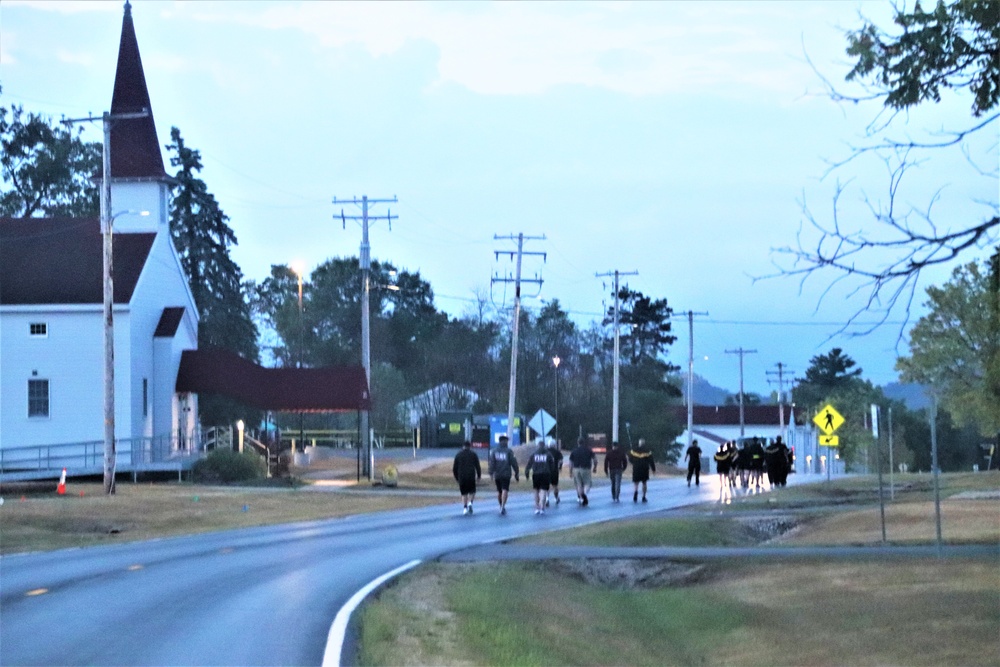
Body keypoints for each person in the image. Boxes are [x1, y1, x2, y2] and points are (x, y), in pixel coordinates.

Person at [487, 435, 519, 515]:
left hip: (497, 474)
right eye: (506, 441)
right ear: (504, 441)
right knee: (505, 489)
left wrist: (491, 472)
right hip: (506, 473)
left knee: (499, 491)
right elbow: (513, 462)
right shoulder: (509, 451)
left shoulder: (494, 451)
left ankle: (500, 505)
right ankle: (503, 506)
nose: (507, 442)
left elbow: (492, 463)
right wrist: (516, 472)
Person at [524, 440, 555, 514]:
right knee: (543, 491)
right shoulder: (548, 454)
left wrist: (527, 473)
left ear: (538, 446)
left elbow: (529, 464)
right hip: (545, 474)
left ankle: (537, 507)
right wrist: (551, 472)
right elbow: (552, 465)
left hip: (536, 474)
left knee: (536, 491)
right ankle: (542, 507)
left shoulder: (534, 454)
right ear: (544, 446)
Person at [452, 440, 481, 515]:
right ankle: (470, 502)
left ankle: (465, 508)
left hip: (461, 476)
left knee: (464, 493)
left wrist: (456, 477)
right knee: (472, 491)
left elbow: (454, 468)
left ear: (463, 446)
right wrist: (479, 475)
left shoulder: (458, 455)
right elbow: (477, 466)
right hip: (471, 476)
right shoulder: (473, 454)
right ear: (470, 446)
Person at [568, 437, 598, 506]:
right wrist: (595, 468)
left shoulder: (574, 451)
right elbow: (595, 460)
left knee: (579, 484)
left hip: (576, 469)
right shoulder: (589, 450)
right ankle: (584, 493)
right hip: (586, 469)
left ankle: (580, 497)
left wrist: (570, 472)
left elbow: (570, 462)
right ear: (584, 442)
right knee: (587, 483)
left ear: (577, 442)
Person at [628, 438, 656, 503]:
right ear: (644, 444)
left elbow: (630, 459)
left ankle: (635, 491)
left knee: (636, 482)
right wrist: (653, 469)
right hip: (644, 469)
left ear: (639, 443)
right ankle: (643, 496)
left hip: (636, 468)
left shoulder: (634, 450)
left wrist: (634, 462)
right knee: (644, 483)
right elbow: (651, 461)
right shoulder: (648, 451)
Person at [546, 440, 564, 506]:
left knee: (546, 485)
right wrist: (560, 467)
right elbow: (561, 461)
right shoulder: (557, 452)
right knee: (555, 485)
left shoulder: (545, 451)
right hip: (554, 471)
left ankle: (547, 498)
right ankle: (556, 498)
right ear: (554, 445)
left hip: (546, 471)